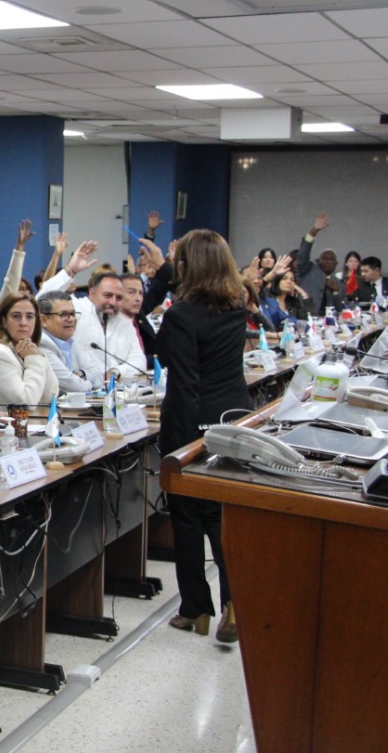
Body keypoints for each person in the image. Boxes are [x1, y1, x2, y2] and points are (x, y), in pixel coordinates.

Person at [158, 229, 252, 643]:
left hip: (192, 424)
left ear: (187, 266)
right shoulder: (237, 305)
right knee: (222, 518)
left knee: (188, 518)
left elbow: (183, 384)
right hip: (233, 419)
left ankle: (195, 607)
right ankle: (234, 602)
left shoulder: (181, 315)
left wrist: (178, 450)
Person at [39, 249, 145, 382]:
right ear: (92, 293)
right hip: (79, 389)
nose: (112, 302)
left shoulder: (124, 322)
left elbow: (139, 360)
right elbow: (44, 297)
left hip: (118, 389)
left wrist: (116, 372)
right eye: (107, 295)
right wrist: (71, 270)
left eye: (118, 298)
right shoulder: (77, 309)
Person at [0, 292, 58, 408]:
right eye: (16, 316)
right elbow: (26, 404)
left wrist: (40, 357)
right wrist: (34, 359)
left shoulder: (26, 349)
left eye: (29, 316)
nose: (23, 323)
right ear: (4, 321)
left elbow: (50, 397)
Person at [37, 291, 89, 394]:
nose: (71, 319)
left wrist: (81, 373)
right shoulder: (42, 344)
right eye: (64, 314)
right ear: (43, 320)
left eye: (73, 314)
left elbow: (98, 375)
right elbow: (74, 387)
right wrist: (88, 384)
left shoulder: (71, 341)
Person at [295, 211, 344, 314]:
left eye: (331, 260)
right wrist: (314, 231)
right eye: (325, 259)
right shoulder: (308, 270)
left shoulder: (339, 283)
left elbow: (341, 308)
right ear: (318, 261)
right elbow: (303, 254)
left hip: (329, 320)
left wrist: (336, 291)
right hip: (306, 316)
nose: (328, 262)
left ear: (336, 264)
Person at [0, 219, 36, 305]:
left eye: (26, 289)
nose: (23, 292)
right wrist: (20, 247)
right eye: (19, 288)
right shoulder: (5, 307)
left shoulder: (35, 309)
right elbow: (12, 279)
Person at [120, 272, 156, 361]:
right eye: (131, 292)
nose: (138, 298)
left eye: (140, 293)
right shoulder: (111, 325)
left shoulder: (139, 317)